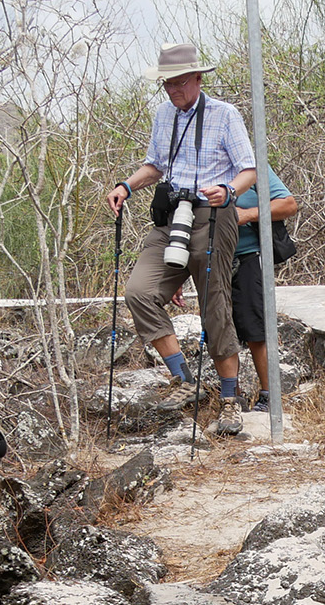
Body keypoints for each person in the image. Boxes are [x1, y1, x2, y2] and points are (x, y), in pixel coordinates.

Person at [104, 42, 258, 436]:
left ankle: (229, 398)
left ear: (197, 78)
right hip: (172, 214)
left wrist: (228, 190)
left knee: (213, 300)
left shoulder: (224, 115)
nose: (173, 89)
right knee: (140, 291)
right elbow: (155, 164)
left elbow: (248, 169)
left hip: (212, 213)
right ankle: (186, 378)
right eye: (167, 83)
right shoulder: (164, 115)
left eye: (179, 82)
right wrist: (127, 185)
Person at [231, 167, 298, 412]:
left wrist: (248, 214)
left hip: (249, 255)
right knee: (221, 331)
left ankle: (270, 396)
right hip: (213, 259)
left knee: (256, 329)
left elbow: (288, 205)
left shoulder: (251, 166)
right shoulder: (202, 166)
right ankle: (231, 397)